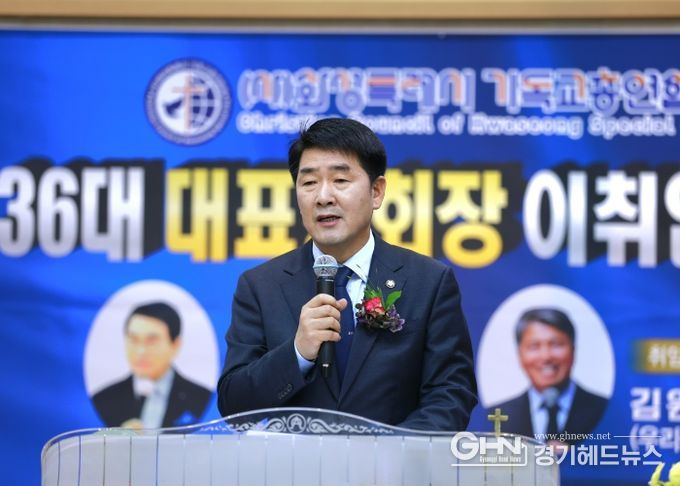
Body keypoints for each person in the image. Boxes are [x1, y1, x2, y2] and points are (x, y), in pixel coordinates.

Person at [217, 118, 477, 431]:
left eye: (340, 180)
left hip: (393, 462)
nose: (323, 197)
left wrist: (389, 452)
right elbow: (234, 405)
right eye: (309, 183)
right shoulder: (261, 286)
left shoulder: (429, 282)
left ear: (377, 192)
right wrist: (298, 352)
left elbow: (451, 394)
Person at [490, 308, 608, 441]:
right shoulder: (497, 416)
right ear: (519, 354)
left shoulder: (605, 410)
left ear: (573, 350)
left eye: (556, 345)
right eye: (534, 346)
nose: (546, 356)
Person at [92, 302, 212, 429]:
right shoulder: (104, 398)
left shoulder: (201, 398)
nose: (141, 351)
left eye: (151, 341)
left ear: (175, 345)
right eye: (133, 339)